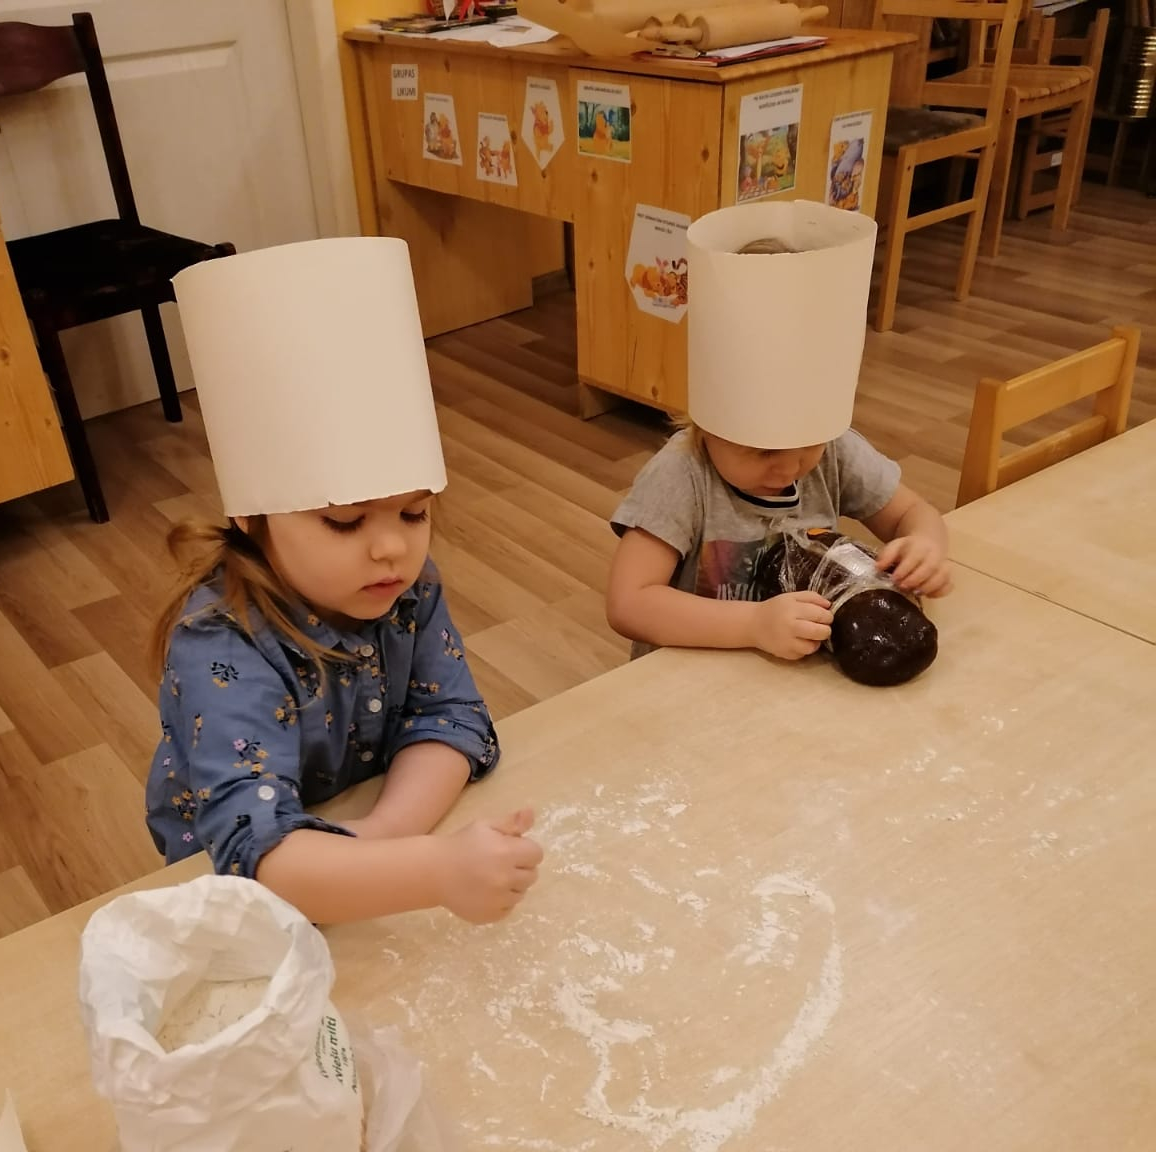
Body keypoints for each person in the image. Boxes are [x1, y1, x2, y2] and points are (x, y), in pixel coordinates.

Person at [145, 237, 542, 925]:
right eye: (344, 521)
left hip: (355, 833)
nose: (392, 548)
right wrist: (433, 870)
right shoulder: (222, 643)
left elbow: (451, 716)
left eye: (414, 513)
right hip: (238, 903)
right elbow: (257, 858)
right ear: (251, 517)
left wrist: (384, 835)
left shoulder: (407, 591)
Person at [606, 206, 952, 661]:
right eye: (762, 451)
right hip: (694, 675)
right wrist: (752, 624)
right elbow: (628, 603)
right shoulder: (681, 475)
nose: (790, 467)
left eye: (809, 442)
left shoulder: (836, 449)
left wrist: (925, 544)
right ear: (709, 422)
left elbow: (912, 512)